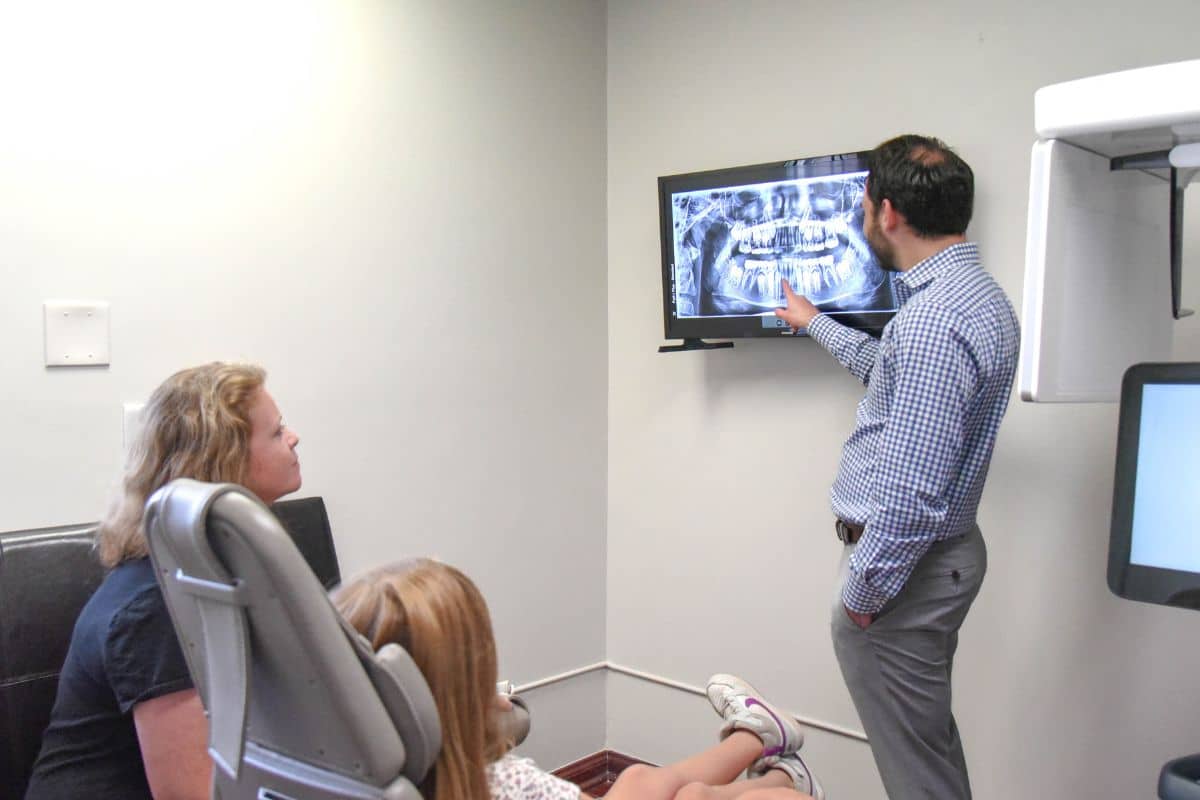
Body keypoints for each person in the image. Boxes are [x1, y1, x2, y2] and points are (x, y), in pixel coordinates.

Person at [774, 134, 1020, 800]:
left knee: (915, 773)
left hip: (901, 575)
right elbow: (889, 376)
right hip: (933, 562)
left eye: (861, 204)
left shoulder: (933, 321)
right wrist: (814, 321)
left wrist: (861, 599)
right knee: (925, 750)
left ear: (886, 213)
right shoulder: (972, 297)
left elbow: (911, 498)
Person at [25, 362, 302, 800]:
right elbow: (189, 795)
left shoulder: (212, 571)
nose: (293, 437)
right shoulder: (155, 607)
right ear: (224, 459)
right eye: (276, 431)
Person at [332, 559, 827, 800]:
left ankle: (768, 746)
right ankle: (772, 758)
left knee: (644, 782)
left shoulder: (339, 774)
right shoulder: (500, 782)